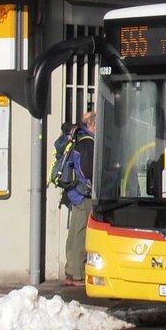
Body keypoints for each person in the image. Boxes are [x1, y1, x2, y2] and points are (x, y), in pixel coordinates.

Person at [62, 110, 95, 286]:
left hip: (73, 191)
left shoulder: (77, 138)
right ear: (92, 125)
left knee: (74, 232)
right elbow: (88, 171)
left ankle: (70, 271)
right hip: (83, 193)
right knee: (82, 234)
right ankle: (79, 275)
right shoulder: (88, 142)